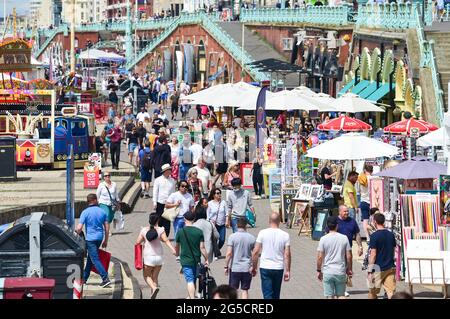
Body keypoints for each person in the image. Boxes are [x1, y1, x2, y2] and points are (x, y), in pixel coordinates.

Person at [135, 213, 176, 298]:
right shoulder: (161, 230)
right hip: (159, 257)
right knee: (155, 278)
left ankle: (154, 288)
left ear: (149, 220)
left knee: (146, 276)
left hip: (148, 257)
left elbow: (137, 242)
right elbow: (166, 240)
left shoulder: (144, 230)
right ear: (158, 221)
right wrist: (172, 249)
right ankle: (153, 293)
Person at [251, 212, 291, 299]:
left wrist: (254, 267)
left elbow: (255, 252)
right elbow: (287, 254)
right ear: (280, 221)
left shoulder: (262, 233)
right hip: (278, 267)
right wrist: (287, 270)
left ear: (269, 221)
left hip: (265, 267)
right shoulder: (285, 235)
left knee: (267, 295)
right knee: (276, 295)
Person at [75, 194, 111, 288]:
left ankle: (105, 278)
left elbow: (79, 228)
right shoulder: (102, 211)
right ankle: (84, 279)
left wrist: (75, 232)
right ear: (95, 200)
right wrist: (105, 240)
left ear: (88, 201)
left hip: (90, 239)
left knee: (95, 259)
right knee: (91, 259)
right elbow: (107, 227)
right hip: (99, 238)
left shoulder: (85, 212)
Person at [175, 211, 209, 299]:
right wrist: (206, 259)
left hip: (185, 260)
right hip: (196, 259)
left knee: (189, 280)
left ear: (184, 219)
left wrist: (177, 255)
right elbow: (202, 248)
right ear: (194, 219)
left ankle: (192, 298)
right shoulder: (199, 232)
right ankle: (191, 295)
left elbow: (177, 246)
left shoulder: (180, 232)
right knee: (193, 279)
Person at [316, 216, 352, 299]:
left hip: (328, 271)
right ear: (337, 225)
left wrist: (318, 270)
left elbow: (320, 257)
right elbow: (349, 256)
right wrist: (349, 269)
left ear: (327, 226)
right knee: (341, 295)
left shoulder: (323, 239)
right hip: (340, 271)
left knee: (329, 296)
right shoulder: (344, 238)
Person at [225, 217, 256, 299]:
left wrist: (226, 266)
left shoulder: (232, 237)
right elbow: (255, 254)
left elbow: (229, 253)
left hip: (235, 268)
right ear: (246, 225)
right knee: (245, 290)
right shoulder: (251, 238)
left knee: (233, 290)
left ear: (236, 225)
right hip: (247, 267)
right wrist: (254, 266)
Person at [367, 213, 397, 299]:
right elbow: (393, 250)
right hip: (390, 267)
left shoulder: (374, 236)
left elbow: (373, 255)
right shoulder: (391, 234)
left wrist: (370, 271)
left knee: (372, 292)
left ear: (375, 222)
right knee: (391, 292)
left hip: (377, 268)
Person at [153, 164, 176, 237]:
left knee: (167, 219)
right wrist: (154, 202)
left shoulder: (172, 180)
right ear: (165, 171)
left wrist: (173, 202)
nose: (170, 171)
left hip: (169, 203)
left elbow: (173, 192)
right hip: (160, 202)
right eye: (169, 170)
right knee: (159, 219)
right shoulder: (158, 180)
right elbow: (155, 191)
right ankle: (159, 234)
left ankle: (166, 235)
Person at [207, 188, 228, 255]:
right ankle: (215, 253)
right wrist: (209, 222)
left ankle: (216, 251)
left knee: (222, 240)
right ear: (213, 195)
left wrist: (227, 221)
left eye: (220, 193)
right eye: (217, 193)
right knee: (214, 240)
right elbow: (208, 214)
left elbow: (227, 213)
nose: (219, 194)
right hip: (213, 225)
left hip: (222, 224)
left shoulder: (223, 202)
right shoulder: (209, 203)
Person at [357, 164, 373, 238]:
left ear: (365, 170)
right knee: (373, 220)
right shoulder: (373, 178)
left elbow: (359, 191)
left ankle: (367, 237)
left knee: (365, 221)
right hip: (373, 202)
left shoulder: (361, 179)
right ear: (372, 171)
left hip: (363, 201)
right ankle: (373, 234)